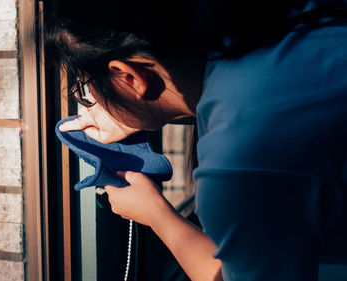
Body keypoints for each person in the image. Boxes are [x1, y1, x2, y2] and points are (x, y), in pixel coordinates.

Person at [46, 0, 347, 280]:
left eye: (84, 83)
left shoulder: (242, 160)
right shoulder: (278, 20)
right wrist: (130, 110)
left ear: (130, 77)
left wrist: (156, 214)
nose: (88, 98)